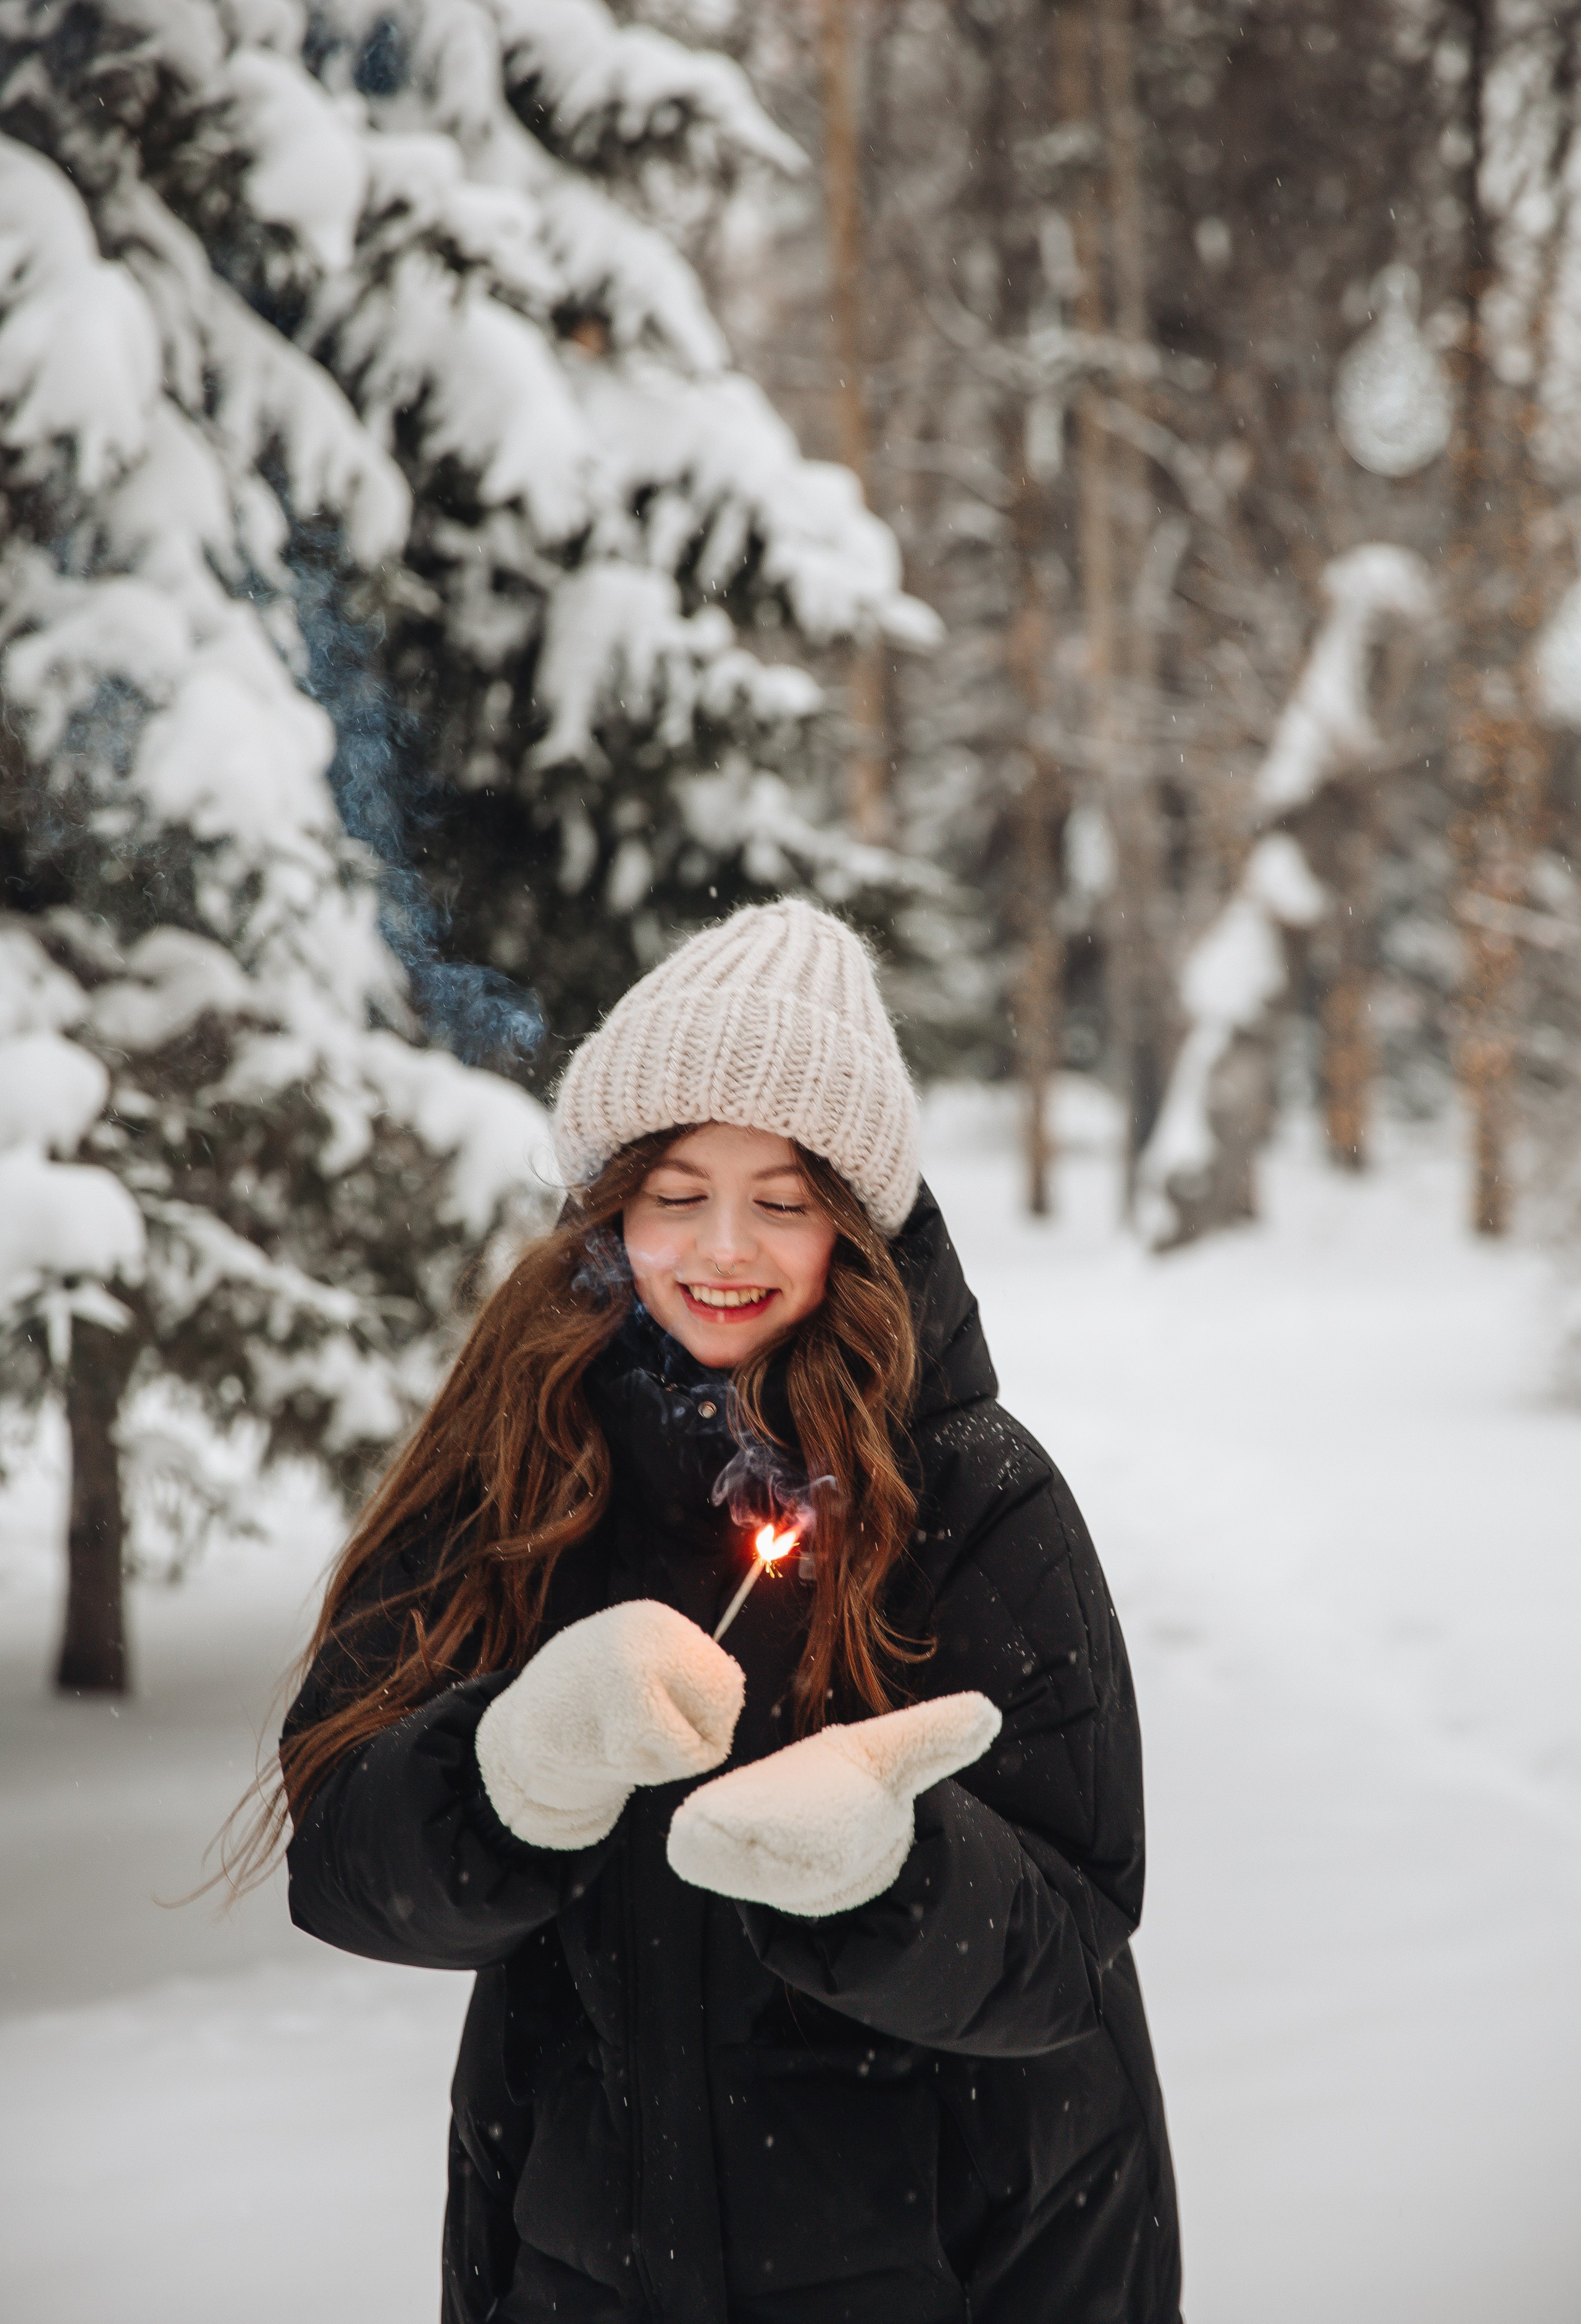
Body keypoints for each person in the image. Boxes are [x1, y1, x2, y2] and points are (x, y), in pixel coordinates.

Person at [276, 898, 1182, 2324]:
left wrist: (895, 1871)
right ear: (611, 1200)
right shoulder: (516, 1458)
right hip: (582, 2268)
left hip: (968, 2268)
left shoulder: (974, 1492)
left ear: (855, 1223)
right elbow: (337, 1855)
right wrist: (506, 1777)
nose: (723, 1245)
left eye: (783, 1198)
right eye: (675, 1190)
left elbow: (1068, 1953)